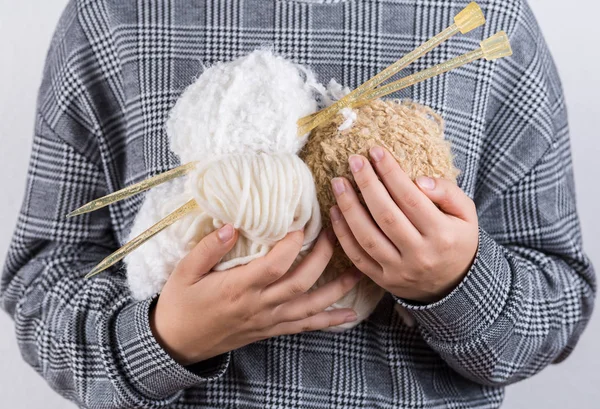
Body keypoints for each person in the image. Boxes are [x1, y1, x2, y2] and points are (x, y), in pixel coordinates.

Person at [1, 0, 595, 408]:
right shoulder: (115, 15)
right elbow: (38, 283)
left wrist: (458, 281)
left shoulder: (484, 17)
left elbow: (561, 302)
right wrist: (163, 338)